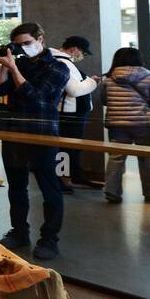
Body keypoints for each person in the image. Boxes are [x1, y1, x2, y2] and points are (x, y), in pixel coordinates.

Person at [0, 22, 72, 260]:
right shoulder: (19, 63)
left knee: (50, 189)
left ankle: (49, 239)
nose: (23, 49)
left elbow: (36, 97)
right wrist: (7, 67)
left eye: (27, 43)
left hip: (42, 134)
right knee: (16, 187)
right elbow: (0, 90)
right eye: (18, 45)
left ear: (40, 39)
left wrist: (15, 70)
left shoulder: (59, 67)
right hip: (14, 133)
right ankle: (19, 231)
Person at [99, 46, 150, 203]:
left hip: (117, 123)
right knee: (147, 158)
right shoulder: (148, 76)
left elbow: (104, 101)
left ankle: (112, 192)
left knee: (116, 158)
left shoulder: (108, 79)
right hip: (144, 123)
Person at [52, 35, 100, 193]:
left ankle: (74, 176)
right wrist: (92, 82)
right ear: (74, 49)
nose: (82, 56)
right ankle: (62, 181)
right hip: (68, 114)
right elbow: (74, 90)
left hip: (73, 113)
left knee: (72, 148)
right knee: (65, 149)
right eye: (83, 53)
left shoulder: (64, 62)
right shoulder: (62, 62)